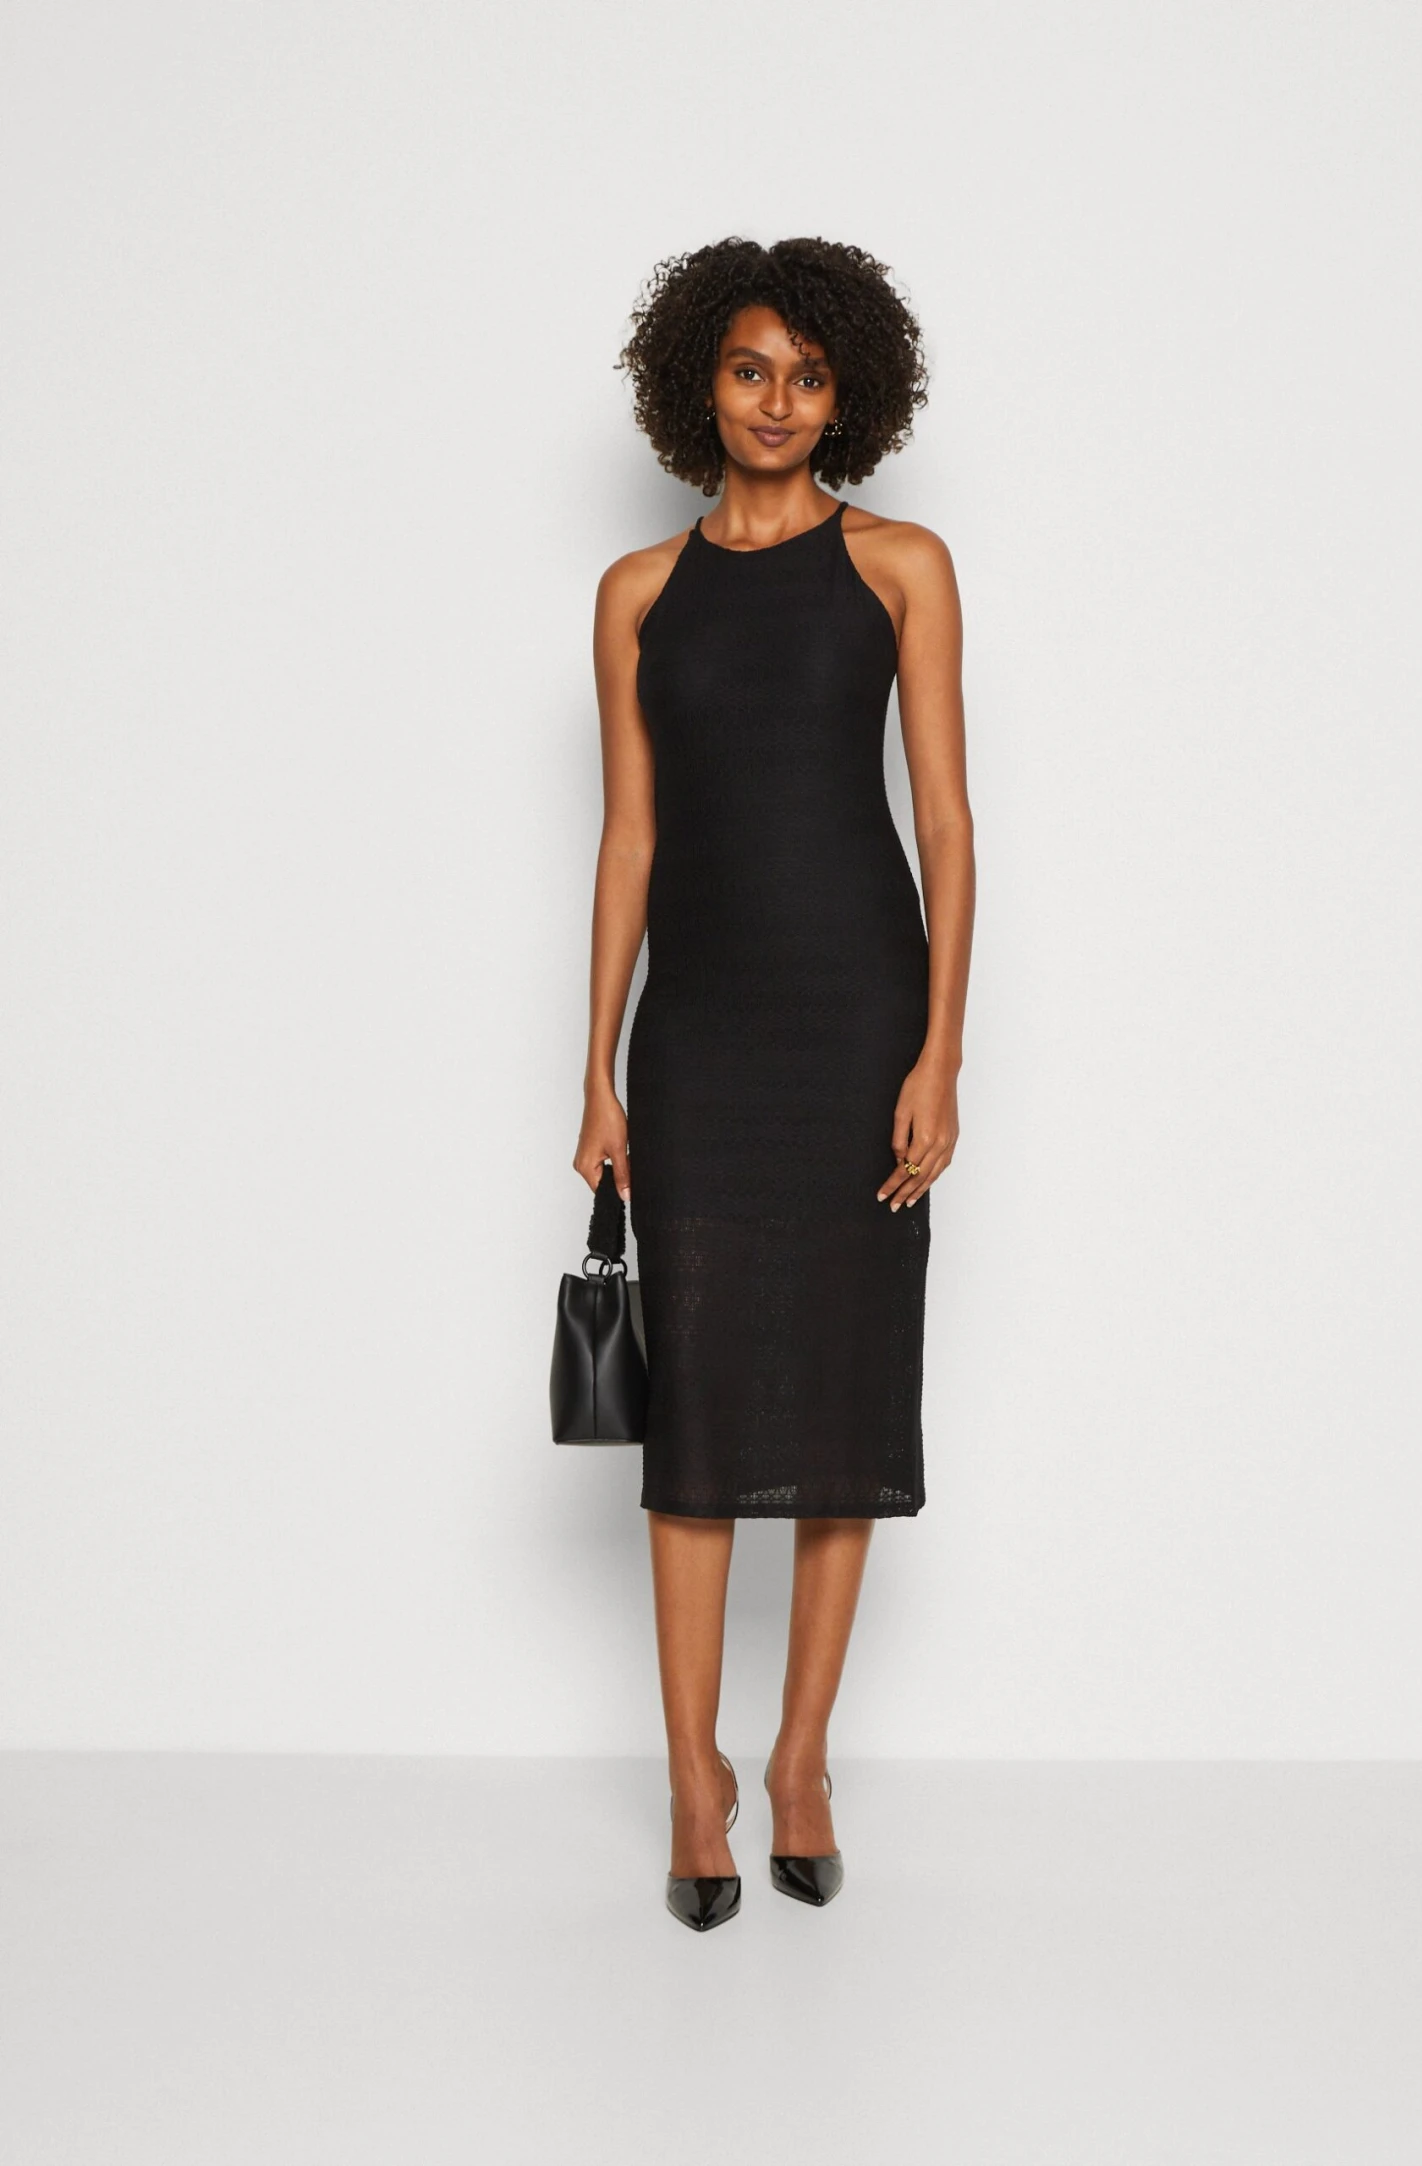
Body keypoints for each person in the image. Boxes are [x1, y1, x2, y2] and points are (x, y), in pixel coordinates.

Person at [574, 237, 975, 1930]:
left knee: (837, 1398)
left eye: (809, 377)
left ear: (846, 396)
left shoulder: (901, 567)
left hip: (858, 1024)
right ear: (701, 381)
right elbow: (630, 837)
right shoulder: (636, 594)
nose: (778, 402)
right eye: (751, 369)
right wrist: (596, 1069)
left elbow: (945, 820)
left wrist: (942, 1047)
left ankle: (800, 1758)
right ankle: (695, 1778)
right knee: (696, 1410)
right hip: (700, 1038)